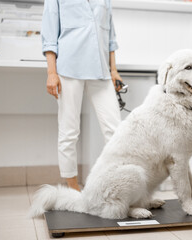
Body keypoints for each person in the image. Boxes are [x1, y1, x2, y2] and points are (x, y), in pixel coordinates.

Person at [42, 0, 123, 191]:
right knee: (69, 131)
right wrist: (51, 73)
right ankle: (73, 187)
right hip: (69, 69)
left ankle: (120, 181)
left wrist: (114, 70)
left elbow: (110, 36)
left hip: (101, 70)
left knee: (116, 131)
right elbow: (50, 36)